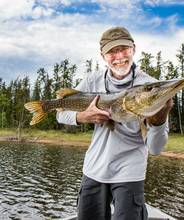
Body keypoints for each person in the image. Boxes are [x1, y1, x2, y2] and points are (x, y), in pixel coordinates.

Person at [56, 27, 173, 220]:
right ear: (103, 56)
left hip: (130, 173)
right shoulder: (92, 81)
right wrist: (82, 117)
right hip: (94, 169)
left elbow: (155, 148)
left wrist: (159, 121)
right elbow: (61, 115)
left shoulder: (151, 87)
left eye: (123, 49)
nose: (118, 56)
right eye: (111, 51)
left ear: (133, 49)